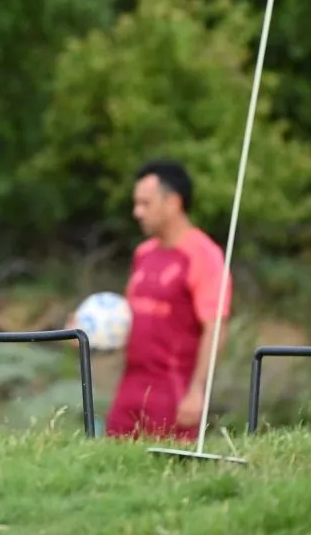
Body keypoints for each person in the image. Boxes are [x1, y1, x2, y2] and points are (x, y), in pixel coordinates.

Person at [103, 159, 233, 442]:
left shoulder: (203, 255)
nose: (137, 212)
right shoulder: (143, 254)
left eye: (145, 204)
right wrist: (90, 332)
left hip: (173, 392)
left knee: (168, 479)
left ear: (173, 202)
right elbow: (129, 319)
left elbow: (216, 327)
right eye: (136, 203)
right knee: (110, 471)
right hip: (130, 388)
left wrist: (197, 391)